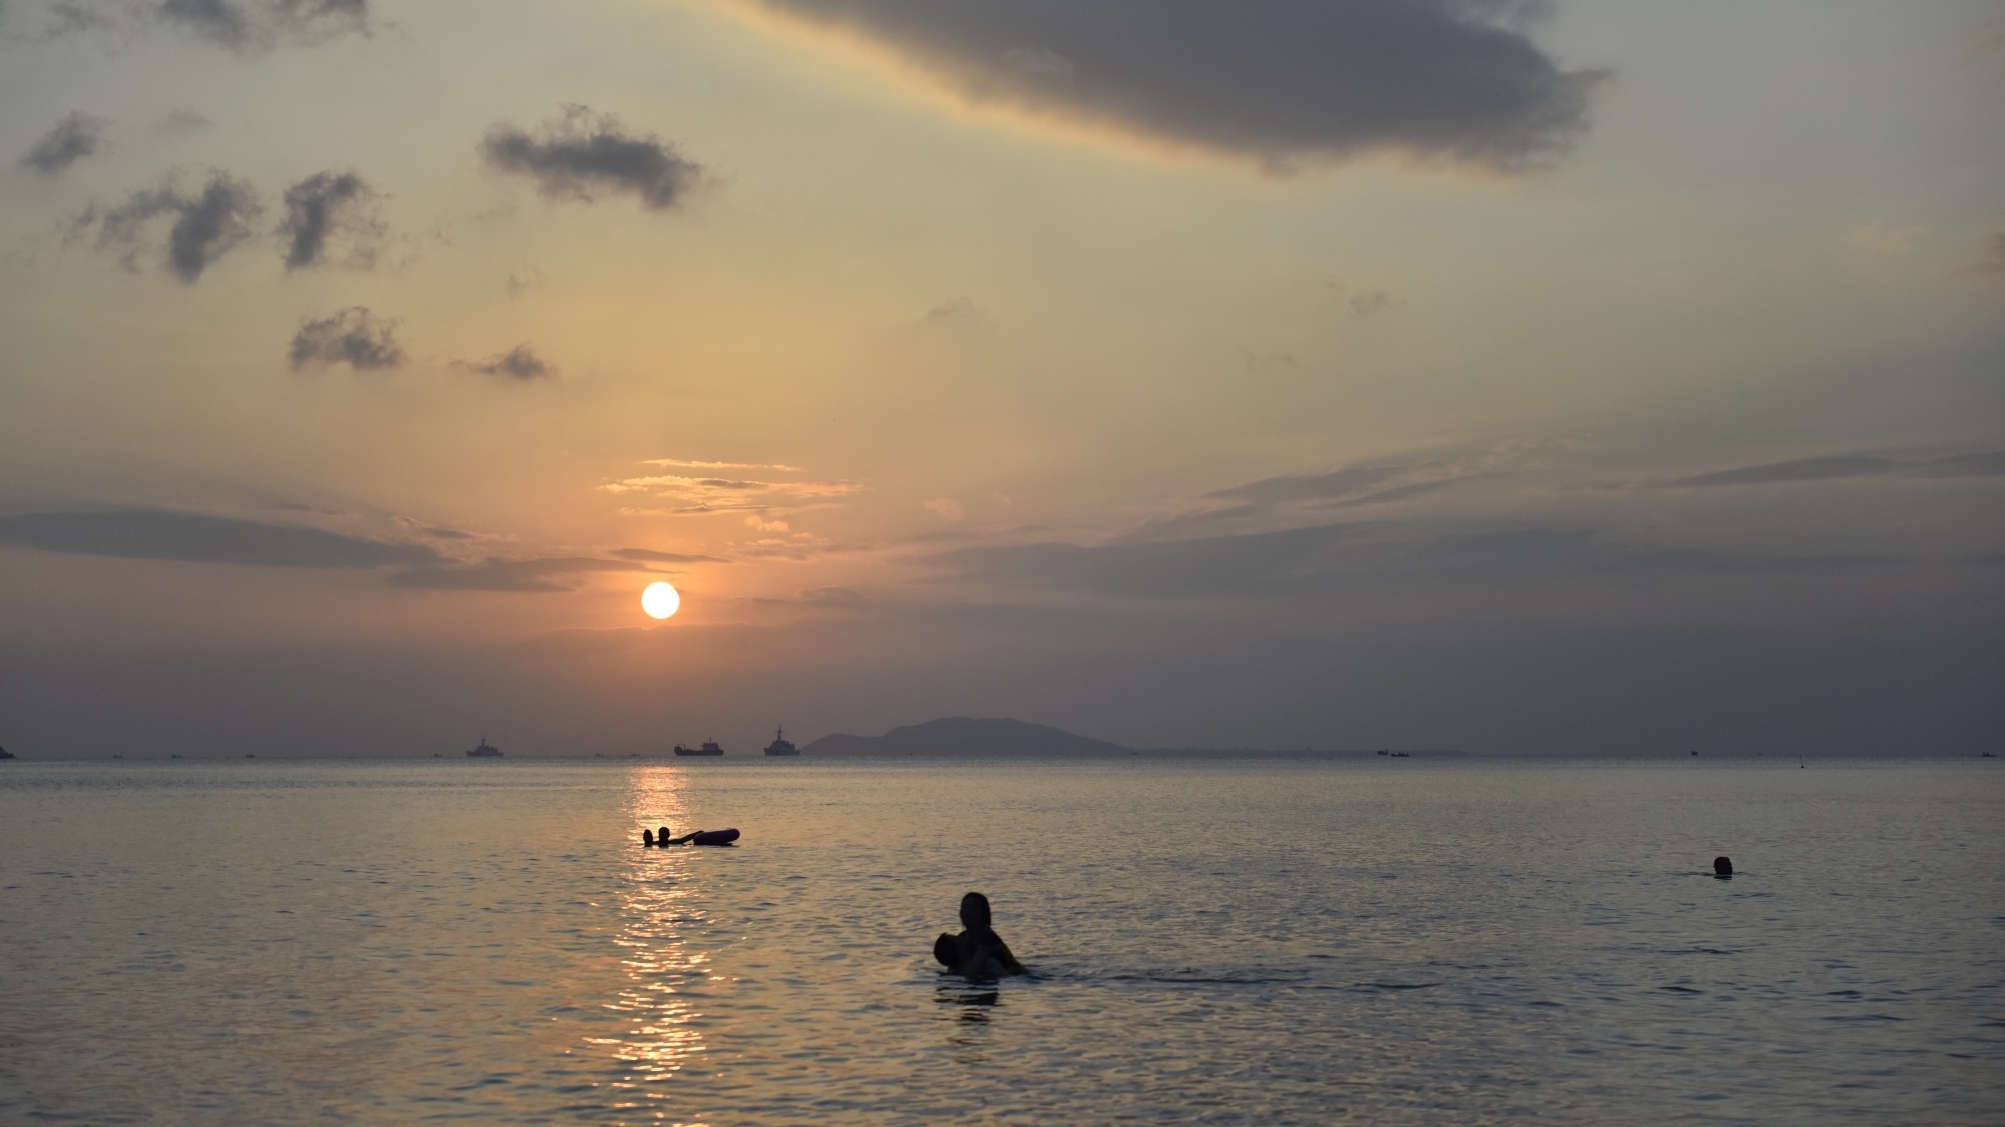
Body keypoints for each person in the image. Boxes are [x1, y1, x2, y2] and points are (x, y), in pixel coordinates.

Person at [933, 892, 1026, 979]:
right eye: (964, 907)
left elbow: (972, 972)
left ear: (983, 914)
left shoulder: (987, 937)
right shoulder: (962, 937)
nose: (966, 912)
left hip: (1016, 976)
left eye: (973, 909)